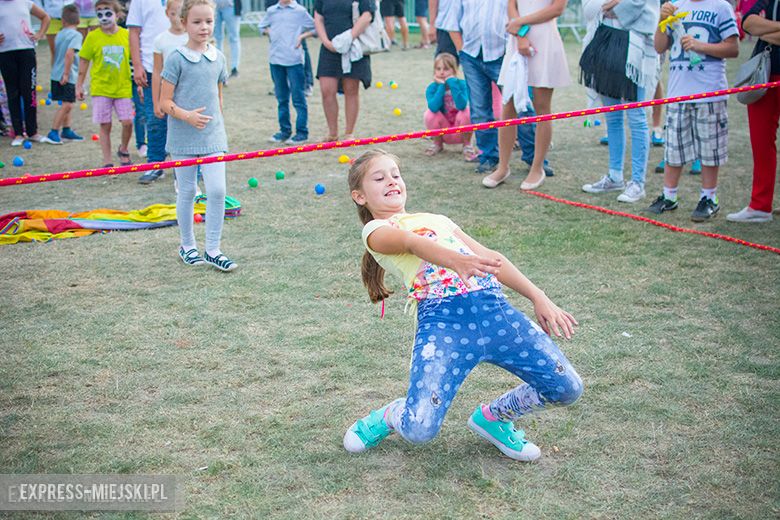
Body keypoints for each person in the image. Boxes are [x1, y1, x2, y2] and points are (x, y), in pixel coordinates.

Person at [343, 149, 583, 462]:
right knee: (418, 430)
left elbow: (492, 260)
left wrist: (539, 297)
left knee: (566, 388)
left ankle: (494, 418)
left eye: (396, 174)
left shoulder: (437, 220)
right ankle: (391, 414)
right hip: (444, 325)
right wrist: (457, 261)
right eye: (379, 177)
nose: (392, 181)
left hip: (495, 312)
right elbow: (411, 244)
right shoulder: (374, 232)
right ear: (360, 197)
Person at [160, 0, 237, 272]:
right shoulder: (176, 59)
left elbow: (218, 95)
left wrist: (218, 123)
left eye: (208, 21)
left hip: (213, 137)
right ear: (184, 23)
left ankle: (213, 249)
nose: (204, 27)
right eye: (197, 22)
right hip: (183, 136)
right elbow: (163, 103)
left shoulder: (219, 57)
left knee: (217, 190)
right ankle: (187, 245)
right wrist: (187, 116)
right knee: (189, 191)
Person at [646, 0, 739, 221]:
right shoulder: (675, 5)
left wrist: (700, 46)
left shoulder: (720, 7)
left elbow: (733, 48)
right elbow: (659, 47)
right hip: (679, 92)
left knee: (710, 149)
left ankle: (709, 198)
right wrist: (661, 21)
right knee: (674, 148)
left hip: (709, 91)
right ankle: (669, 196)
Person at [482, 0, 569, 189]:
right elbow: (511, 5)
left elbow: (557, 8)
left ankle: (537, 168)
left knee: (542, 107)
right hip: (517, 40)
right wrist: (520, 33)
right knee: (508, 104)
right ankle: (503, 167)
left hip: (545, 39)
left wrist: (519, 23)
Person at [579, 0, 659, 203]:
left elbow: (637, 5)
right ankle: (615, 176)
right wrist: (610, 5)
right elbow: (589, 8)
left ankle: (638, 183)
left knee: (636, 116)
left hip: (636, 48)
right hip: (604, 43)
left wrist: (612, 6)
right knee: (612, 117)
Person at [727, 0, 780, 223]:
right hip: (765, 75)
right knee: (761, 142)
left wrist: (766, 28)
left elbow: (758, 27)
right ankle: (760, 205)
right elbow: (748, 23)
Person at [442, 0, 508, 174]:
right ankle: (488, 156)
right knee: (479, 110)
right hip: (471, 55)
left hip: (504, 54)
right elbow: (451, 23)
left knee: (518, 105)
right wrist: (462, 51)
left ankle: (533, 157)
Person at [76, 0, 134, 167]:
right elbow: (84, 60)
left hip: (123, 87)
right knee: (105, 124)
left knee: (127, 122)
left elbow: (134, 59)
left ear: (117, 14)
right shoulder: (93, 37)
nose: (104, 17)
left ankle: (123, 149)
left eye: (108, 12)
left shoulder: (126, 35)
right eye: (99, 13)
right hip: (101, 88)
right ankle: (107, 161)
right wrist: (79, 85)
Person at [313, 0, 375, 141]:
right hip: (329, 47)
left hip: (353, 45)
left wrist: (348, 38)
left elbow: (367, 16)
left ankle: (349, 133)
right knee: (326, 90)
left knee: (351, 89)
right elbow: (318, 17)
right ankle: (332, 133)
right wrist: (326, 42)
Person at [258, 0, 316, 144]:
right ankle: (284, 131)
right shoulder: (272, 11)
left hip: (294, 61)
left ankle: (302, 132)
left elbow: (316, 28)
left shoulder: (300, 11)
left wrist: (302, 37)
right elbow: (261, 27)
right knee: (281, 98)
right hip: (275, 60)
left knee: (298, 98)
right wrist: (269, 31)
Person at [127, 0, 169, 183]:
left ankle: (189, 165)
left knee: (183, 118)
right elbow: (134, 33)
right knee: (154, 119)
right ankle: (155, 165)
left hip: (183, 65)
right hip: (152, 69)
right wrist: (137, 65)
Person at [0, 0, 51, 146]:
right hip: (5, 53)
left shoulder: (25, 2)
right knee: (13, 93)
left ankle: (32, 132)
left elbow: (45, 17)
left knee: (29, 92)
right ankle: (17, 133)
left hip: (26, 51)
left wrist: (40, 34)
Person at [151, 0, 188, 191]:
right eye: (174, 14)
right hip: (167, 94)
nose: (177, 19)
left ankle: (189, 170)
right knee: (159, 129)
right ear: (167, 14)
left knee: (187, 135)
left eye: (181, 14)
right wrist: (157, 101)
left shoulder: (191, 38)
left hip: (187, 96)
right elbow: (157, 72)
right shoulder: (161, 40)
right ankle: (155, 165)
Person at [423, 52, 476, 160]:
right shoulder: (432, 88)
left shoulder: (462, 84)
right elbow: (433, 107)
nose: (442, 72)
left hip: (459, 129)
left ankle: (467, 145)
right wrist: (442, 86)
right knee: (429, 114)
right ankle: (437, 144)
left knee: (467, 111)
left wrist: (452, 83)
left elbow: (461, 105)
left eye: (446, 69)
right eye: (438, 69)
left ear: (454, 70)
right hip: (443, 130)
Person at [45, 3, 85, 144]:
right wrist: (67, 74)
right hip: (66, 75)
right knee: (67, 104)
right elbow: (69, 54)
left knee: (68, 102)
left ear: (63, 21)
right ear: (79, 21)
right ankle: (54, 131)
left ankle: (67, 130)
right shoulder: (76, 35)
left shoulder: (60, 34)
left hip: (56, 73)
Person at [214, 0, 241, 77]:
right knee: (216, 38)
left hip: (230, 6)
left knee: (234, 38)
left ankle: (234, 68)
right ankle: (218, 66)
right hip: (214, 6)